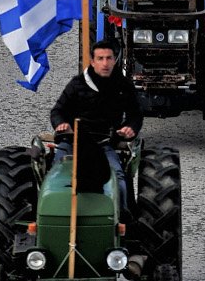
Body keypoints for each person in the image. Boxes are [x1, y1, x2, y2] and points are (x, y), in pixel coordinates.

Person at [50, 39, 143, 213]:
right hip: (72, 143)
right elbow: (57, 111)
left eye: (109, 58)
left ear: (115, 60)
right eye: (100, 59)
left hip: (103, 145)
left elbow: (135, 114)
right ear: (92, 61)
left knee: (118, 180)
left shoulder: (123, 86)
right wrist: (61, 124)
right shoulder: (77, 85)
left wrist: (130, 127)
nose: (105, 63)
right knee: (56, 177)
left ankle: (122, 222)